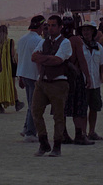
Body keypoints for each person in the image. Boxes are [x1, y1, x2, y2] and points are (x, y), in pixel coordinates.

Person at [31, 15, 73, 157]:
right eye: (48, 25)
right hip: (42, 81)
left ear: (60, 27)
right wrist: (49, 59)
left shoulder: (65, 42)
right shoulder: (44, 42)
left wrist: (44, 59)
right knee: (36, 111)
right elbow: (34, 57)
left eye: (53, 25)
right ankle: (43, 142)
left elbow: (58, 60)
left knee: (58, 116)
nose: (50, 28)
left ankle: (57, 146)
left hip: (58, 82)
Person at [61, 16, 94, 145]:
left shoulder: (58, 39)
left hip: (61, 76)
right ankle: (79, 135)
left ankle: (63, 134)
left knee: (61, 107)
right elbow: (81, 59)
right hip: (75, 77)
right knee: (78, 107)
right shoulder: (76, 40)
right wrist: (88, 76)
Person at [79, 21, 103, 141]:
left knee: (94, 108)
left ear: (93, 31)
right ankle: (83, 132)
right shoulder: (79, 46)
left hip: (96, 83)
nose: (86, 32)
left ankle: (92, 131)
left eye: (88, 30)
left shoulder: (98, 47)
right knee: (82, 109)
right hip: (83, 83)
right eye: (84, 30)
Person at [17, 15, 45, 142]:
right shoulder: (39, 40)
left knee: (30, 103)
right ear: (40, 26)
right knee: (34, 105)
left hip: (24, 73)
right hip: (34, 75)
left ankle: (25, 128)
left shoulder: (22, 39)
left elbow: (20, 58)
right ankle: (30, 132)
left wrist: (20, 76)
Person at [0, 24, 24, 113]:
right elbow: (12, 54)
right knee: (11, 84)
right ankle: (17, 102)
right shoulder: (10, 41)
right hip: (8, 66)